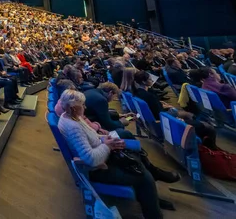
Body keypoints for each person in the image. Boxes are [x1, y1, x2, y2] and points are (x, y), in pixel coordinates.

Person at [58, 89, 177, 219]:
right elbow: (90, 159)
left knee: (137, 159)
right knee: (143, 176)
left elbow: (92, 137)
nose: (85, 108)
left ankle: (152, 200)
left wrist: (105, 139)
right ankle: (154, 212)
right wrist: (108, 146)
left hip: (103, 158)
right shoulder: (73, 126)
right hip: (97, 169)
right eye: (82, 105)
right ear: (74, 108)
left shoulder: (72, 117)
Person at [131, 70, 217, 149]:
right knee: (207, 126)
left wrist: (162, 105)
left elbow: (154, 108)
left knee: (187, 115)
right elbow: (159, 112)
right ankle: (205, 146)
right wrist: (171, 110)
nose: (152, 81)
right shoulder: (148, 96)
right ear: (143, 81)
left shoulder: (138, 93)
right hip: (165, 120)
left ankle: (197, 138)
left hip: (161, 118)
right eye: (150, 79)